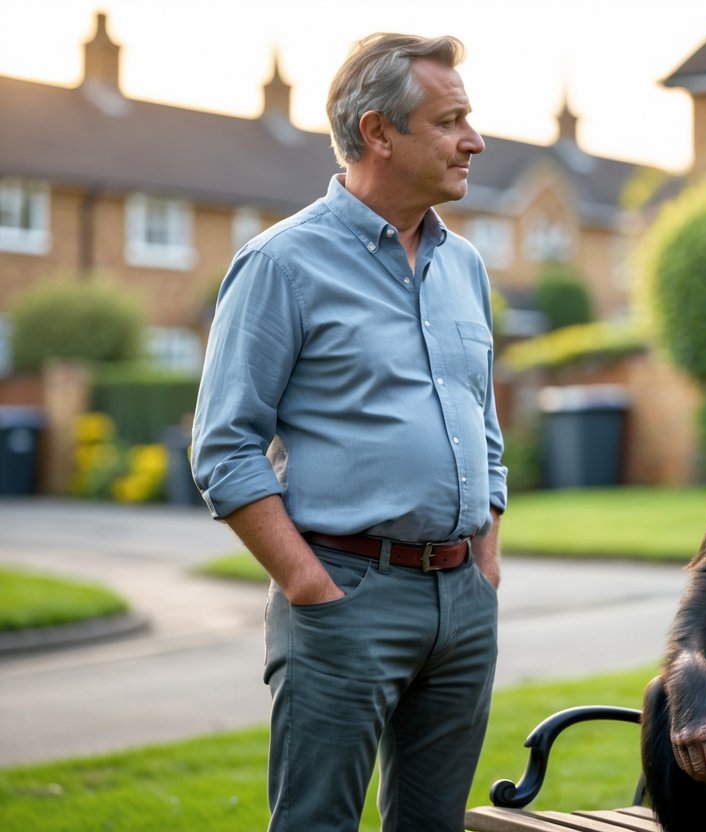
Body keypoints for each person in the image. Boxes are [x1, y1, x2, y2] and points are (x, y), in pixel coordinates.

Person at [191, 32, 506, 832]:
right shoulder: (281, 264)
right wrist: (309, 588)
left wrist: (485, 561)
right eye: (450, 120)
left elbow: (482, 422)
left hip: (461, 599)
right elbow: (224, 447)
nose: (473, 138)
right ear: (378, 132)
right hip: (344, 595)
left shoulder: (463, 264)